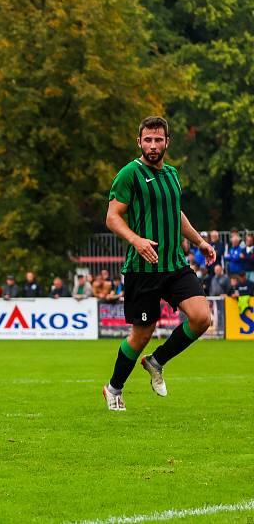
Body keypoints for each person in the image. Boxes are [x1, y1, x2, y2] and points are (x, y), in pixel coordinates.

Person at [102, 116, 214, 411]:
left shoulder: (172, 174)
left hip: (174, 264)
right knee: (141, 335)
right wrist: (136, 240)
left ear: (167, 142)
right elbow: (113, 216)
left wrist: (200, 241)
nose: (153, 146)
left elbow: (175, 214)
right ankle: (113, 388)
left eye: (158, 140)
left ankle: (156, 361)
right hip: (143, 268)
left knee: (202, 318)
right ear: (139, 142)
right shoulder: (130, 173)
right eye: (147, 140)